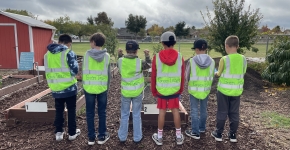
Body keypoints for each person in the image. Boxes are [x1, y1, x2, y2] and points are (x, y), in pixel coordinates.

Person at [151, 31, 185, 145]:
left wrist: (154, 90)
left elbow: (153, 76)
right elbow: (182, 75)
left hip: (161, 90)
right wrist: (180, 89)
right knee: (176, 111)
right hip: (174, 89)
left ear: (162, 43)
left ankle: (159, 137)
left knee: (162, 113)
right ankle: (179, 136)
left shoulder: (156, 57)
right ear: (174, 42)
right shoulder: (180, 57)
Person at [44, 34, 80, 141]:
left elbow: (47, 70)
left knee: (59, 110)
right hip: (69, 88)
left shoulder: (47, 55)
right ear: (69, 43)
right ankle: (72, 133)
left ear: (59, 41)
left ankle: (58, 133)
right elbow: (75, 71)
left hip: (56, 87)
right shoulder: (68, 53)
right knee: (71, 110)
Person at [211, 35, 247, 143]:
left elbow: (219, 73)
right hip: (237, 91)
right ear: (238, 46)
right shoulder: (243, 59)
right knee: (234, 113)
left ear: (226, 46)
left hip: (223, 91)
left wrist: (215, 72)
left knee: (222, 112)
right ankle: (232, 135)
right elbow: (243, 72)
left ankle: (218, 134)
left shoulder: (224, 59)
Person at [117, 40, 151, 143]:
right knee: (136, 115)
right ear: (136, 51)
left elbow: (121, 60)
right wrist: (147, 55)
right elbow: (148, 65)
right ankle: (137, 137)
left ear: (126, 50)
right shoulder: (140, 62)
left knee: (124, 114)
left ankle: (122, 137)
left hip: (125, 93)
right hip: (137, 92)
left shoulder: (121, 61)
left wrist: (120, 54)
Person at [82, 33, 111, 145]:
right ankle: (101, 136)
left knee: (89, 113)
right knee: (102, 112)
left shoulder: (86, 55)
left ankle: (91, 138)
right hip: (102, 87)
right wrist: (107, 87)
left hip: (88, 87)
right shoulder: (107, 56)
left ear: (94, 42)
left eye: (90, 41)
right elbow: (109, 74)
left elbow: (84, 70)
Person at [185, 39, 215, 139]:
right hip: (205, 90)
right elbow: (212, 76)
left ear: (196, 49)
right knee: (203, 109)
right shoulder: (212, 61)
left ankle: (195, 132)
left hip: (194, 90)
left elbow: (187, 76)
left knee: (194, 110)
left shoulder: (192, 61)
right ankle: (202, 128)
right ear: (206, 49)